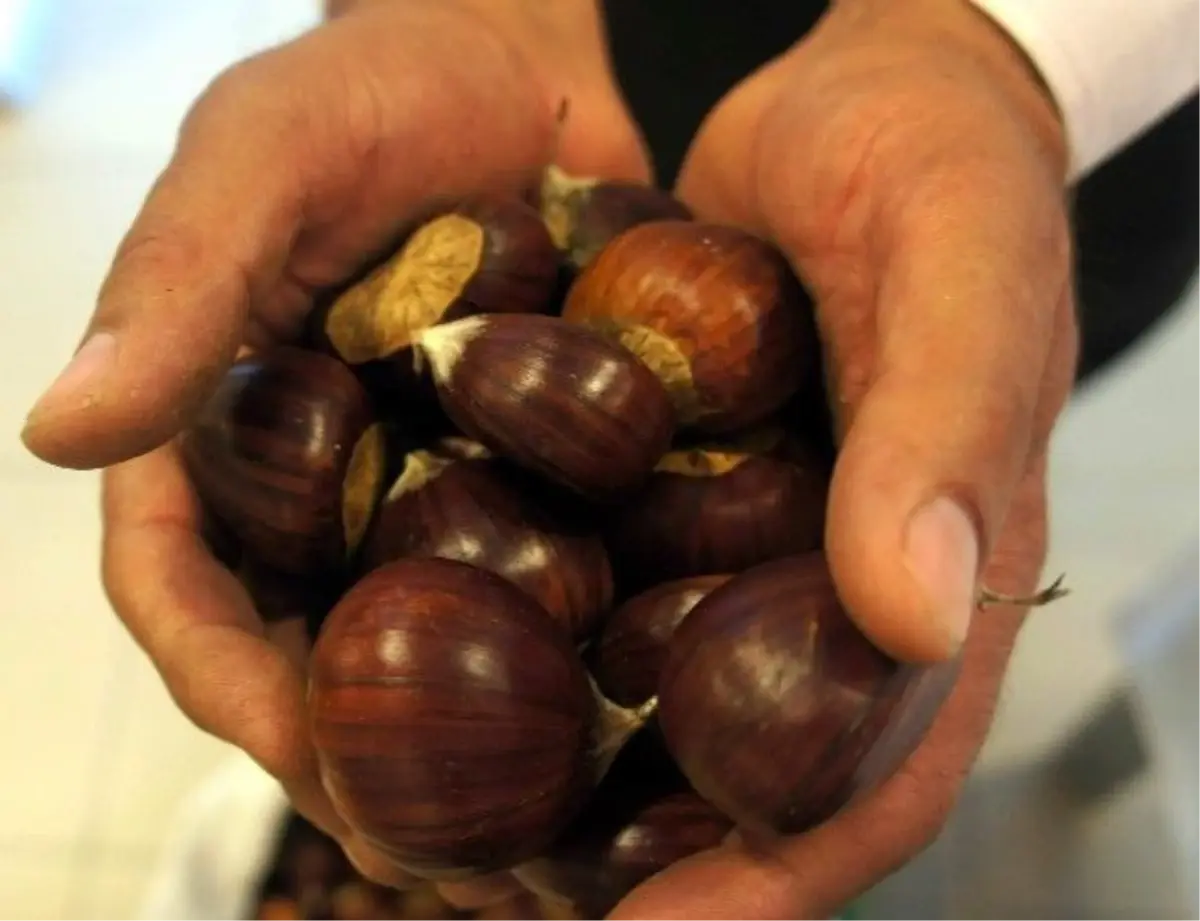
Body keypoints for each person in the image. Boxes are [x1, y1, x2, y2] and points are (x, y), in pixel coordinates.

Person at [18, 0, 1200, 918]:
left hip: (973, 147)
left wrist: (996, 46)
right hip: (573, 72)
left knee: (925, 387)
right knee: (883, 455)